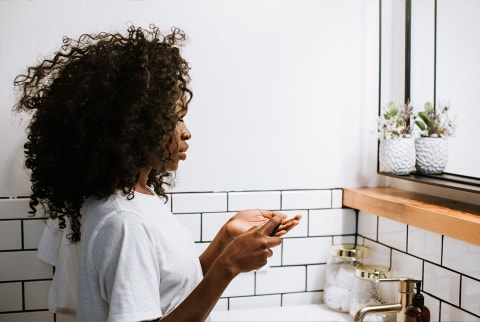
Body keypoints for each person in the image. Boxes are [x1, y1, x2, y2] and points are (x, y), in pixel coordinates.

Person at [14, 24, 301, 322]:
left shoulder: (137, 199)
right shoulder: (124, 223)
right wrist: (228, 265)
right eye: (174, 119)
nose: (186, 133)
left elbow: (172, 290)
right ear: (131, 126)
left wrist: (226, 238)